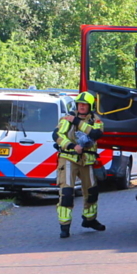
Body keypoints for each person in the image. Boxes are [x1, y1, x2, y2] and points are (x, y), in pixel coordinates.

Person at [54, 91, 107, 238]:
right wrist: (72, 146)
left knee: (92, 192)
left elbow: (96, 134)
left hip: (88, 161)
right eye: (79, 104)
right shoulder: (66, 119)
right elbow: (57, 136)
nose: (81, 107)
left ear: (90, 106)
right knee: (67, 194)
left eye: (84, 105)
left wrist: (76, 121)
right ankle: (64, 226)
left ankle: (89, 219)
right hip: (68, 158)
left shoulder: (96, 120)